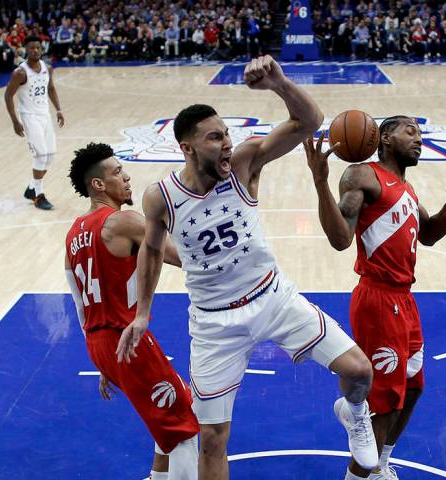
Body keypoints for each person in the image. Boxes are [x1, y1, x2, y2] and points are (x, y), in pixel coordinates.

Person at [116, 55, 378, 480]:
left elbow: (308, 122)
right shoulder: (160, 197)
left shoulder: (243, 166)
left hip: (273, 298)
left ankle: (354, 414)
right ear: (186, 147)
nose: (226, 143)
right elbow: (148, 251)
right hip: (214, 324)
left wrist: (278, 83)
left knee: (360, 371)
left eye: (228, 135)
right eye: (215, 137)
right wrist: (143, 313)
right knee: (213, 439)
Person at [304, 118, 446, 480]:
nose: (418, 139)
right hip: (378, 299)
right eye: (410, 132)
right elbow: (340, 238)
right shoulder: (362, 177)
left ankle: (381, 463)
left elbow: (429, 234)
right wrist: (321, 180)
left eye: (419, 133)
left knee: (413, 387)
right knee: (385, 402)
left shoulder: (406, 188)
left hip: (405, 299)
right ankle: (358, 475)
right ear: (384, 138)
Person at [64, 142, 200, 480]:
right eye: (117, 173)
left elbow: (80, 303)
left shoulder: (72, 234)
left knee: (167, 406)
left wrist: (103, 359)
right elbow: (183, 258)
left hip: (100, 342)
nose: (127, 178)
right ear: (98, 185)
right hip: (127, 340)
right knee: (184, 429)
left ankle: (158, 477)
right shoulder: (123, 221)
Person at [4, 35, 64, 210]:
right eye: (31, 48)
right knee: (41, 155)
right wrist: (15, 121)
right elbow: (8, 95)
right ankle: (38, 196)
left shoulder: (48, 68)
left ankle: (32, 188)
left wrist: (58, 109)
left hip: (44, 115)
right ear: (26, 50)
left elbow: (50, 88)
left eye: (38, 47)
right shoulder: (20, 73)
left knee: (50, 155)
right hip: (29, 117)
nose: (35, 50)